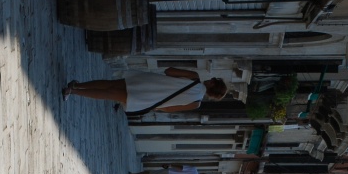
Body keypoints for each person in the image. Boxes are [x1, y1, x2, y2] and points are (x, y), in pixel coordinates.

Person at [64, 68, 228, 115]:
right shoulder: (196, 104)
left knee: (110, 84)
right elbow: (169, 109)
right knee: (109, 95)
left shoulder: (195, 77)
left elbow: (169, 71)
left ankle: (78, 85)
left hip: (148, 83)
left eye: (213, 79)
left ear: (213, 83)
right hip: (147, 99)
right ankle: (73, 91)